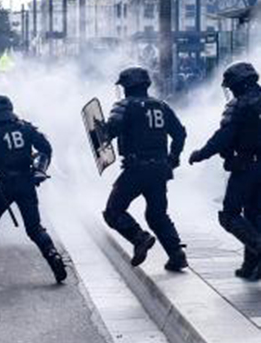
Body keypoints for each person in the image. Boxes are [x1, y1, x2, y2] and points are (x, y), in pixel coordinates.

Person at [0, 95, 67, 282]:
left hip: (5, 186)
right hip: (27, 183)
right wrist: (40, 170)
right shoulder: (26, 127)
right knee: (34, 228)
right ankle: (54, 257)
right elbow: (46, 149)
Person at [100, 67, 188, 271]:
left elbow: (109, 132)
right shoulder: (162, 106)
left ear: (127, 87)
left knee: (113, 211)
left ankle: (139, 238)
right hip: (160, 169)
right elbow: (180, 134)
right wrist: (173, 157)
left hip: (136, 169)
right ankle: (177, 254)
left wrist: (100, 127)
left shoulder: (124, 106)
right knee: (157, 215)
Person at [189, 62, 261, 280]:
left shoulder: (239, 105)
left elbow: (223, 138)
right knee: (255, 215)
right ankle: (251, 266)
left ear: (238, 84)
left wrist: (200, 154)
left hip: (247, 167)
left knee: (230, 214)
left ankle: (258, 249)